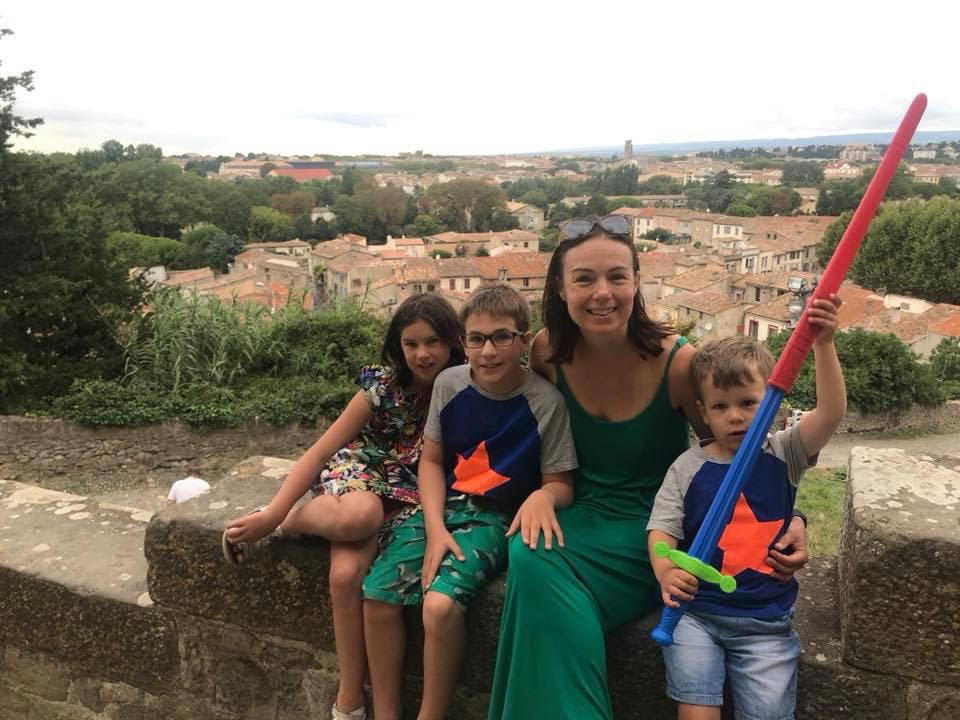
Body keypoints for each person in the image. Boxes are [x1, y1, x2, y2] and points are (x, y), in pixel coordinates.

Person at [488, 215, 811, 720]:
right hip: (586, 514)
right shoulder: (547, 352)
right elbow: (541, 444)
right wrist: (542, 493)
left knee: (537, 576)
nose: (602, 293)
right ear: (561, 286)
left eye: (617, 276)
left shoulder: (679, 364)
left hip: (658, 532)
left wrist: (792, 521)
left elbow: (738, 462)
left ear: (637, 282)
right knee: (529, 553)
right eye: (585, 279)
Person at [222, 293, 466, 720]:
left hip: (412, 489)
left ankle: (348, 701)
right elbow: (319, 452)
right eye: (411, 344)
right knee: (360, 516)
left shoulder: (463, 387)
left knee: (346, 575)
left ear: (452, 341)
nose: (422, 354)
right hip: (358, 474)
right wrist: (274, 513)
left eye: (433, 341)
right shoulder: (382, 389)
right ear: (398, 346)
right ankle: (285, 525)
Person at [362, 284, 578, 720]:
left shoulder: (545, 403)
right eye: (476, 339)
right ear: (464, 343)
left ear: (523, 338)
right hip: (440, 508)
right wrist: (436, 527)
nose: (489, 351)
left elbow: (562, 483)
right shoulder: (449, 383)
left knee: (439, 606)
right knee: (377, 595)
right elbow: (432, 459)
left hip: (496, 516)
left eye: (502, 337)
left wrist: (542, 496)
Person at [647, 314, 845, 720]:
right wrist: (665, 571)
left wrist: (824, 345)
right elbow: (662, 529)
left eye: (748, 402)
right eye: (721, 406)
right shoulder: (686, 468)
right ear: (702, 411)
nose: (735, 416)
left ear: (773, 402)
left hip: (765, 622)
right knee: (696, 712)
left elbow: (830, 413)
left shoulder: (785, 453)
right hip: (695, 616)